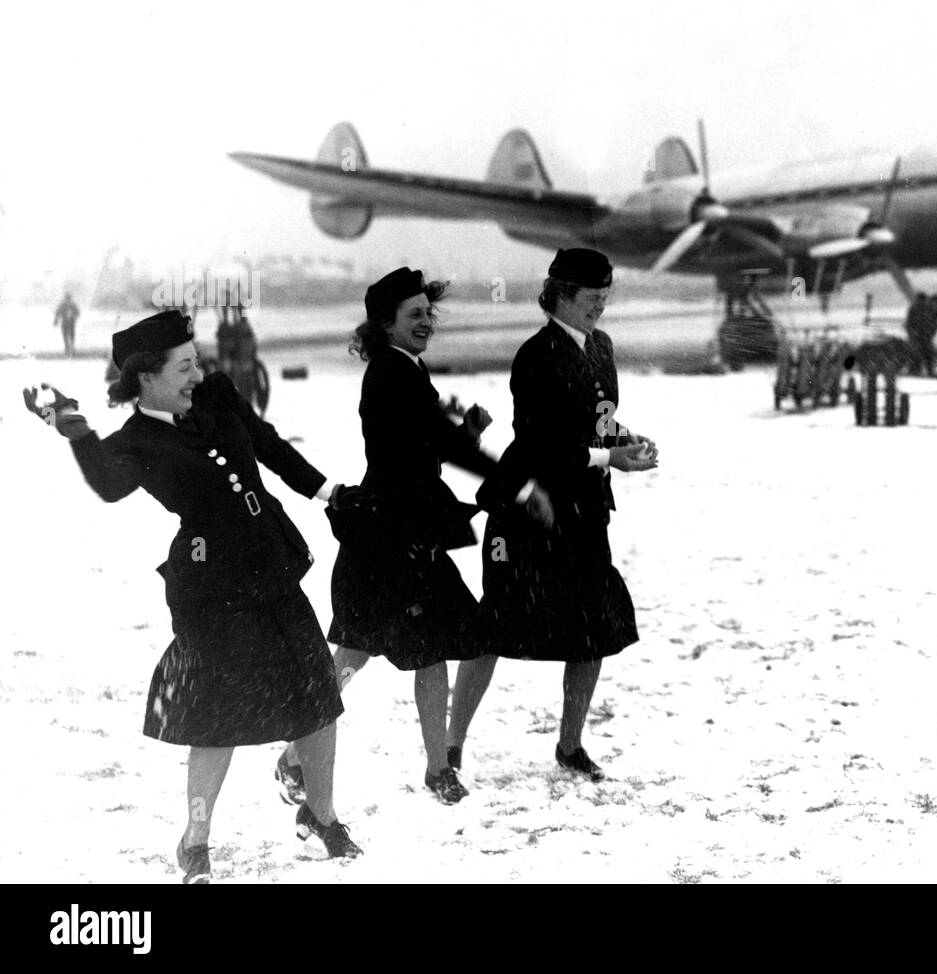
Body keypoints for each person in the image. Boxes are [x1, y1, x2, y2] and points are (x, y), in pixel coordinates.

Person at [23, 310, 364, 882]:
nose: (196, 373)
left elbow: (269, 446)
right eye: (184, 366)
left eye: (195, 361)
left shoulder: (217, 395)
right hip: (213, 589)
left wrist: (328, 492)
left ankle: (321, 814)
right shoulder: (135, 441)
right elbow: (108, 485)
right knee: (219, 718)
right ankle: (195, 841)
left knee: (317, 696)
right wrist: (73, 425)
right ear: (146, 377)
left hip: (271, 564)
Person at [276, 268, 553, 805]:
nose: (427, 322)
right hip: (387, 540)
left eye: (429, 313)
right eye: (415, 316)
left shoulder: (406, 369)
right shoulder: (390, 374)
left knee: (425, 652)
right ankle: (293, 757)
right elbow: (433, 446)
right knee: (356, 654)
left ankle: (436, 769)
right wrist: (514, 484)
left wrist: (459, 434)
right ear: (386, 324)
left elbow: (425, 445)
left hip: (406, 535)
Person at [460, 248, 658, 782]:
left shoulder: (602, 347)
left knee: (593, 627)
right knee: (494, 628)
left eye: (605, 298)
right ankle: (450, 749)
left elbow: (598, 421)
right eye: (592, 299)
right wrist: (605, 455)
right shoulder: (535, 356)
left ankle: (570, 746)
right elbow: (544, 449)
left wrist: (625, 440)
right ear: (562, 296)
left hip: (586, 512)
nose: (600, 308)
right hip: (532, 512)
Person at [905, 292, 937, 376]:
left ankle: (923, 370)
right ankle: (919, 370)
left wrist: (931, 332)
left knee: (924, 354)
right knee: (920, 354)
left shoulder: (919, 309)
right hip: (920, 335)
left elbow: (933, 322)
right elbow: (909, 323)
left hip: (924, 335)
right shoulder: (916, 309)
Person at [53, 292, 80, 356]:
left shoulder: (63, 305)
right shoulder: (72, 305)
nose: (67, 300)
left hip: (66, 322)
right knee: (70, 334)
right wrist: (74, 316)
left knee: (67, 335)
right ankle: (70, 348)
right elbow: (77, 313)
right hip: (69, 322)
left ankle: (68, 348)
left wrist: (56, 321)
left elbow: (57, 313)